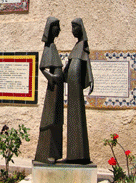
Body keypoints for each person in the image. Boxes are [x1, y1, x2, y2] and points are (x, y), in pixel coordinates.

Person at [64, 18, 94, 164]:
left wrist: (91, 80)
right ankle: (72, 154)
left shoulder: (82, 45)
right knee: (72, 116)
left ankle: (78, 155)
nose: (72, 30)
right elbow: (69, 63)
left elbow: (87, 62)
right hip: (72, 83)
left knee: (76, 115)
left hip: (76, 84)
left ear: (80, 29)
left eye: (74, 27)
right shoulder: (77, 45)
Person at [34, 17, 64, 164]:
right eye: (57, 27)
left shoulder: (53, 47)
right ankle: (46, 154)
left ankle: (55, 153)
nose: (59, 29)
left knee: (57, 120)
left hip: (58, 88)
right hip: (53, 88)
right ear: (51, 28)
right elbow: (42, 67)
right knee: (50, 119)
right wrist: (51, 77)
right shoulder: (48, 47)